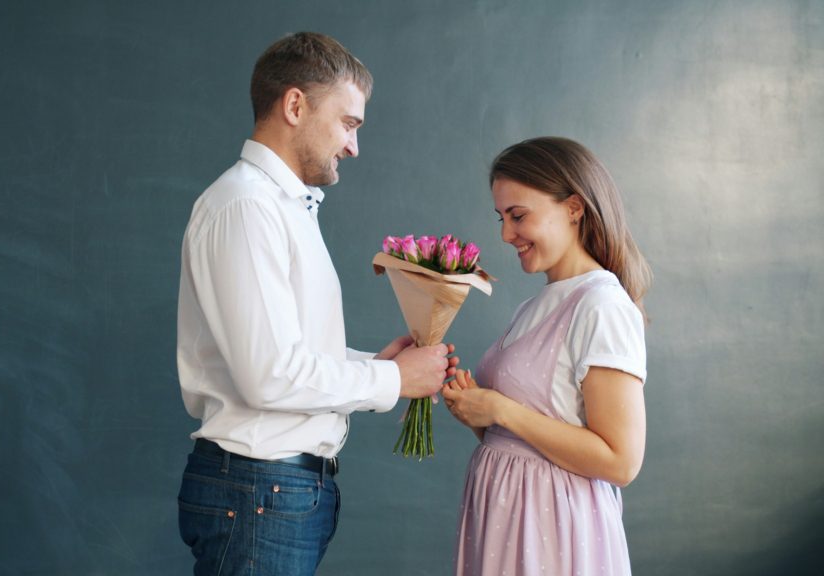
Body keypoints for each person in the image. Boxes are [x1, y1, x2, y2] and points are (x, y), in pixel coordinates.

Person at [176, 32, 458, 575]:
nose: (354, 146)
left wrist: (375, 365)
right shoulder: (247, 207)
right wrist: (393, 380)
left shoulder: (282, 207)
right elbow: (269, 376)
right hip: (261, 490)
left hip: (274, 492)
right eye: (348, 123)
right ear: (295, 106)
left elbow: (284, 352)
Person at [442, 137, 651, 575]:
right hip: (507, 520)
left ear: (574, 208)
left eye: (518, 215)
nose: (505, 234)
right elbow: (530, 438)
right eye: (501, 218)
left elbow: (621, 460)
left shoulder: (601, 306)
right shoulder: (532, 307)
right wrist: (477, 413)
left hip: (553, 529)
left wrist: (499, 408)